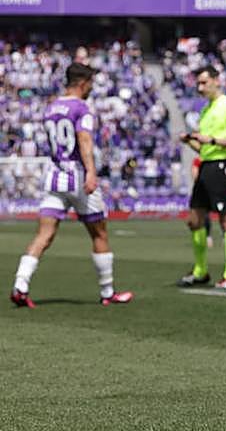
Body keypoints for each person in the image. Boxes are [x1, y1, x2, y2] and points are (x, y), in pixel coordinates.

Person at [10, 62, 134, 307]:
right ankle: (108, 292)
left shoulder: (51, 107)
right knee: (99, 233)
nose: (91, 89)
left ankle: (20, 285)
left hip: (55, 178)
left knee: (44, 234)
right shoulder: (82, 108)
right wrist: (90, 172)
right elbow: (84, 139)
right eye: (90, 84)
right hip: (77, 177)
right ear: (82, 83)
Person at [177, 65, 226, 291]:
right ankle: (200, 271)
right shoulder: (206, 109)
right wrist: (190, 141)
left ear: (217, 81)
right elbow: (205, 147)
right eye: (198, 83)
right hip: (207, 164)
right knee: (195, 220)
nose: (200, 87)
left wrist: (212, 140)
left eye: (203, 82)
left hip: (221, 165)